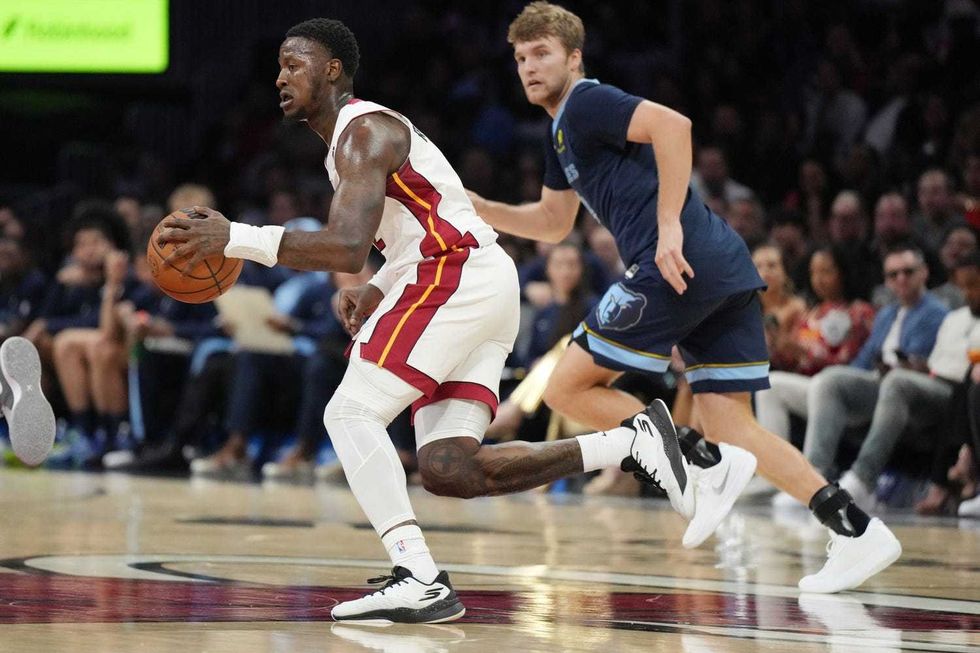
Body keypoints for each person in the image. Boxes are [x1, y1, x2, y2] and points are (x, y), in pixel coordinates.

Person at [158, 17, 750, 623]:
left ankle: (418, 575)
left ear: (332, 69)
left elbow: (342, 246)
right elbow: (428, 223)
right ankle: (630, 441)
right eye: (279, 66)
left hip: (455, 277)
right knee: (449, 468)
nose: (280, 77)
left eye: (294, 64)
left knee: (349, 412)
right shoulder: (357, 142)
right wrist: (379, 284)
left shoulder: (363, 132)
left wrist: (234, 237)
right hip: (477, 280)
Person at [466, 1, 901, 593]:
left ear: (574, 56)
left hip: (673, 262)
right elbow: (550, 221)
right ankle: (855, 529)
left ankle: (701, 462)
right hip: (720, 268)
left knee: (568, 386)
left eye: (542, 53)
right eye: (520, 58)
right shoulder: (559, 133)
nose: (529, 66)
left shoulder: (587, 101)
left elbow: (674, 126)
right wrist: (479, 207)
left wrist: (668, 222)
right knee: (734, 426)